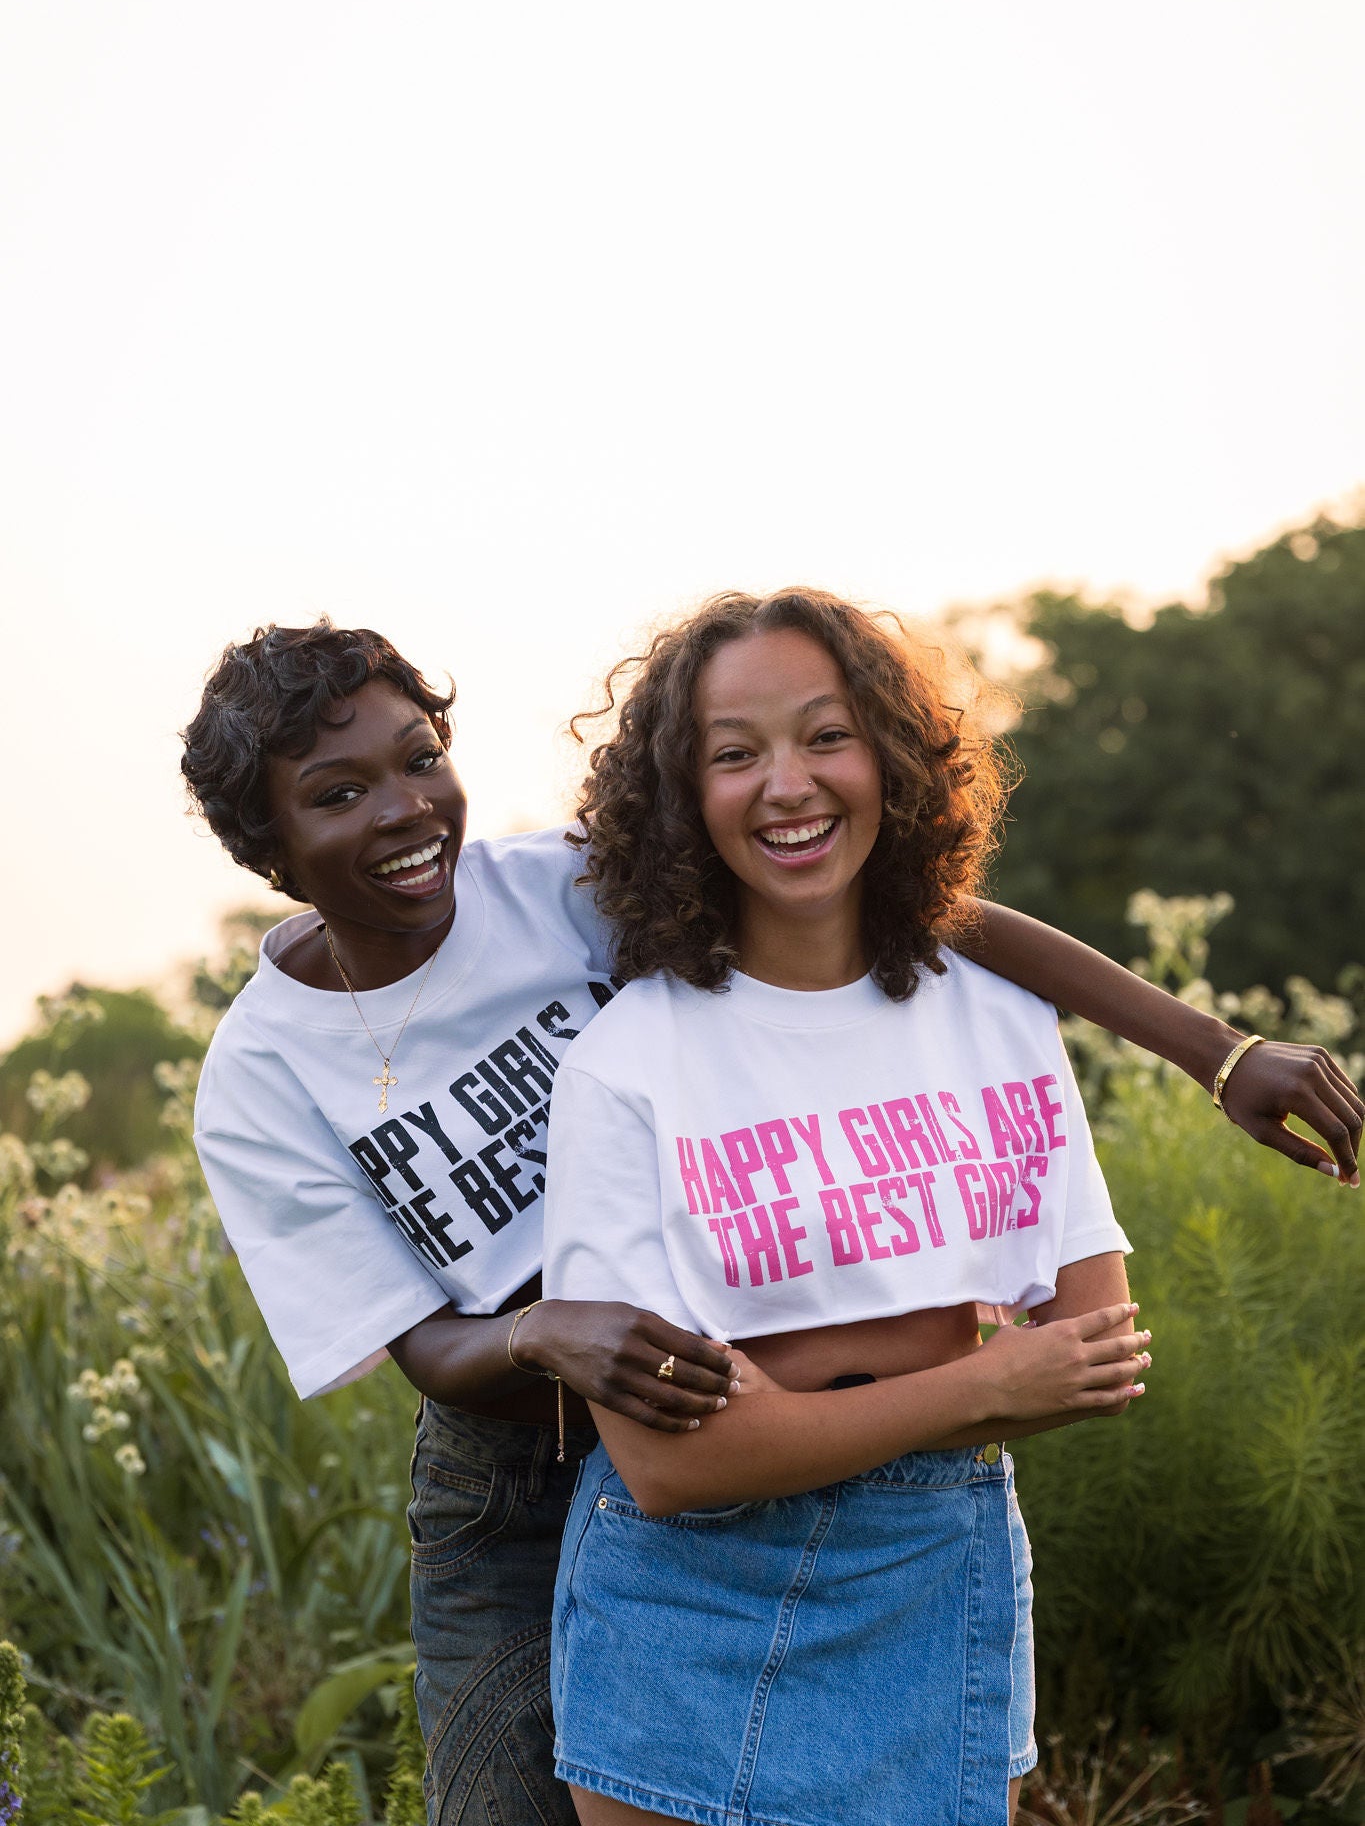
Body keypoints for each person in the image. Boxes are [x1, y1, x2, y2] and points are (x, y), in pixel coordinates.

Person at [182, 619, 1360, 1826]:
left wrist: (1216, 1054)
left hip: (759, 1389)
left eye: (419, 756)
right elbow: (422, 1342)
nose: (404, 810)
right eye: (340, 793)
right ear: (267, 843)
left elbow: (921, 910)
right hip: (520, 1467)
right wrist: (548, 1335)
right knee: (502, 1803)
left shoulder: (558, 886)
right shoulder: (260, 1079)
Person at [539, 588, 1362, 1826]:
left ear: (893, 757)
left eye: (828, 734)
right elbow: (663, 1462)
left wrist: (782, 1400)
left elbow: (1093, 1353)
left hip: (938, 1572)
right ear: (679, 798)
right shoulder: (624, 1062)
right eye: (734, 752)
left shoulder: (997, 1018)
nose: (788, 784)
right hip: (684, 1612)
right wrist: (976, 1382)